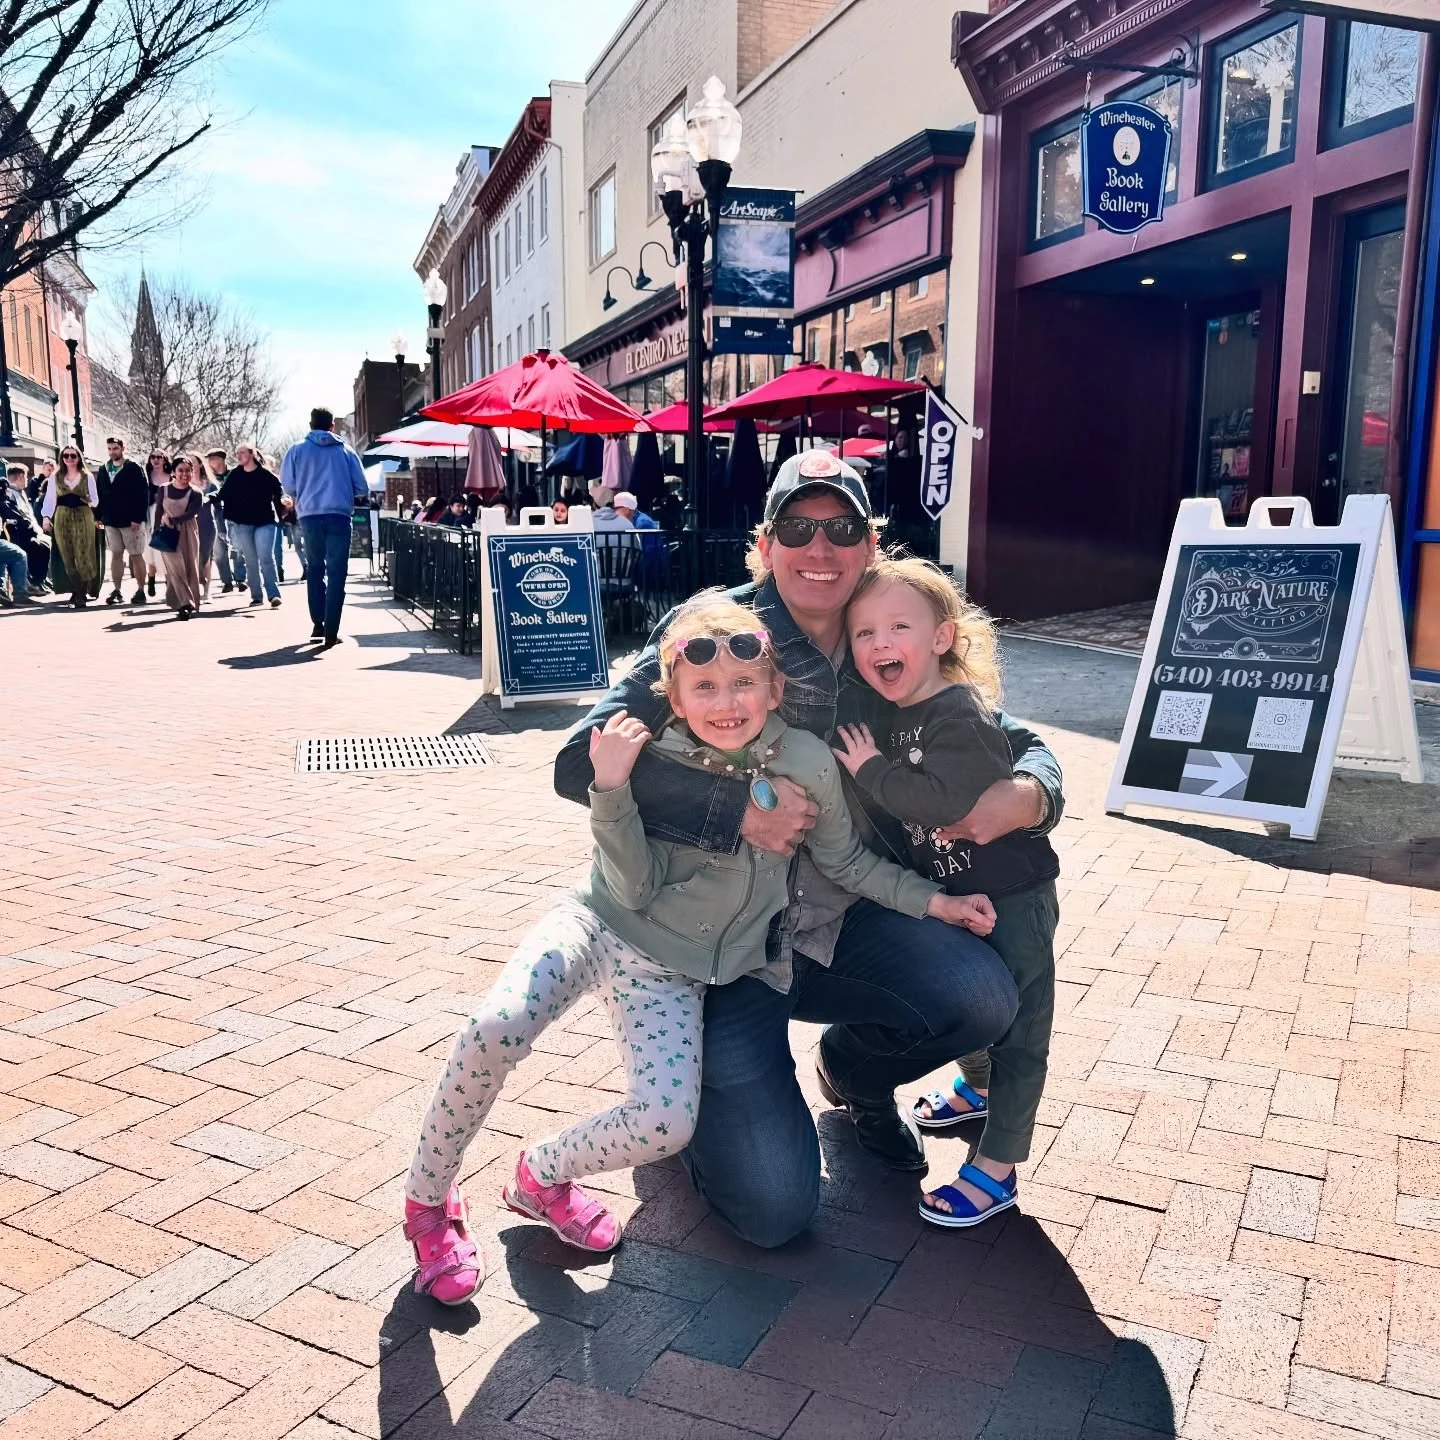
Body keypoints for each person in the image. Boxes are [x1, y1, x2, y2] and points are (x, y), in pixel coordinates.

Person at [404, 594, 994, 1303]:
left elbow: (850, 866)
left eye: (745, 684)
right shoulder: (657, 757)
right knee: (496, 1027)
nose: (726, 702)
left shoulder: (808, 761)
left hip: (680, 977)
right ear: (675, 701)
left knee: (666, 1122)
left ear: (775, 689)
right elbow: (633, 881)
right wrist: (614, 790)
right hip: (600, 924)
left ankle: (541, 1175)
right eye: (704, 688)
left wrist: (938, 902)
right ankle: (429, 1205)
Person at [554, 450, 1064, 1247]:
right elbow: (574, 761)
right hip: (723, 947)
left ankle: (852, 1073)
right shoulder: (713, 632)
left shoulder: (883, 631)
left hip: (841, 919)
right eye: (798, 526)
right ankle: (686, 1092)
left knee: (983, 994)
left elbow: (1009, 735)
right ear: (764, 542)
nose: (819, 548)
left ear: (870, 544)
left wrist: (1034, 793)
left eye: (841, 528)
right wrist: (733, 811)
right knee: (773, 1211)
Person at [833, 554, 1061, 1229]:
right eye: (864, 632)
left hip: (1014, 894)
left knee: (1022, 1029)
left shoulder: (955, 712)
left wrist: (872, 770)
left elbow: (947, 799)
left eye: (898, 627)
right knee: (972, 994)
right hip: (955, 889)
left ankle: (998, 1168)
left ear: (941, 637)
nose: (879, 644)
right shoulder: (900, 707)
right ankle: (977, 1087)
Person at [281, 406, 368, 649]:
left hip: (309, 516)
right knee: (337, 572)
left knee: (315, 569)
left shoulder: (296, 450)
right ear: (332, 426)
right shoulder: (346, 452)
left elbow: (288, 485)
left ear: (310, 425)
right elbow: (362, 488)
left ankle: (317, 623)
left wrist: (304, 492)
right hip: (339, 516)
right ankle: (332, 630)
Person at [217, 442, 284, 608]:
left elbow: (279, 492)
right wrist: (208, 498)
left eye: (242, 452)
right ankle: (256, 596)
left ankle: (273, 594)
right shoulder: (235, 475)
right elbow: (222, 494)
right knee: (251, 560)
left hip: (265, 521)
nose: (238, 456)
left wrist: (284, 503)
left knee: (265, 557)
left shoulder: (265, 475)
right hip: (243, 523)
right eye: (237, 453)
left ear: (252, 454)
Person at [41, 445, 101, 608]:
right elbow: (50, 499)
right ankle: (75, 589)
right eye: (66, 456)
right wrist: (46, 517)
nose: (69, 459)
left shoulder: (86, 476)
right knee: (67, 555)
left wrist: (87, 499)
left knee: (83, 553)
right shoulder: (55, 476)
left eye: (73, 456)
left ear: (78, 457)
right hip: (62, 517)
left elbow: (95, 500)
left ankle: (81, 593)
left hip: (83, 515)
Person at [96, 436, 151, 606]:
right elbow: (100, 493)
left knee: (136, 555)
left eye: (115, 448)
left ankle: (141, 590)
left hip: (130, 520)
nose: (112, 452)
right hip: (111, 519)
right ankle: (117, 590)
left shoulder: (133, 467)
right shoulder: (104, 469)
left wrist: (137, 517)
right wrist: (98, 516)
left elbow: (142, 494)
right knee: (116, 554)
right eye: (110, 449)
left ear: (122, 448)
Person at [155, 455, 203, 618]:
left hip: (187, 531)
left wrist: (173, 520)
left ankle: (186, 601)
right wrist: (156, 530)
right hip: (167, 531)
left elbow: (191, 513)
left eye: (188, 471)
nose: (184, 474)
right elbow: (159, 511)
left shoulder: (196, 493)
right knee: (175, 568)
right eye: (180, 470)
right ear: (174, 472)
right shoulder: (163, 489)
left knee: (189, 567)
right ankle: (185, 603)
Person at [3, 463, 51, 593]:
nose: (27, 480)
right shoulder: (10, 494)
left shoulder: (21, 493)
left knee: (47, 544)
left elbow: (29, 515)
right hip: (18, 533)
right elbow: (16, 516)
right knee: (40, 548)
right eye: (25, 477)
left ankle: (39, 581)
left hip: (30, 531)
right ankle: (33, 582)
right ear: (19, 477)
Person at [204, 449, 245, 594]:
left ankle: (240, 579)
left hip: (234, 515)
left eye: (211, 459)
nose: (208, 462)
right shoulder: (209, 478)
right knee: (219, 552)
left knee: (238, 547)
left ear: (220, 459)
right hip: (216, 517)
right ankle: (227, 581)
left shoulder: (234, 474)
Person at [143, 450, 171, 597]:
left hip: (166, 515)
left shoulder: (171, 476)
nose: (156, 460)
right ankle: (151, 579)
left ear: (164, 460)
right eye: (152, 457)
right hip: (149, 515)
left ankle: (169, 583)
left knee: (165, 549)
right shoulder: (146, 477)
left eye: (159, 457)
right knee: (150, 549)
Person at [278, 493, 306, 579]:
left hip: (297, 522)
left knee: (299, 548)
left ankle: (306, 565)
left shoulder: (291, 490)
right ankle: (307, 566)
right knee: (304, 547)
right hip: (304, 519)